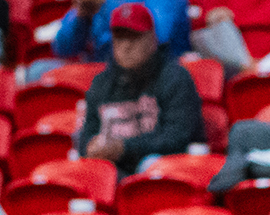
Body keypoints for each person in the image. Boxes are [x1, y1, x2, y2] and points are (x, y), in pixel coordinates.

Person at [74, 3, 204, 174]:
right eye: (120, 38)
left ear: (152, 39)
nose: (126, 46)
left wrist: (124, 148)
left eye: (134, 37)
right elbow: (87, 135)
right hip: (116, 170)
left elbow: (178, 138)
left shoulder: (175, 78)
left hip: (164, 172)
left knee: (151, 165)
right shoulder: (100, 84)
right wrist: (92, 146)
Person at [53, 0, 189, 62]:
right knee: (39, 69)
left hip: (156, 74)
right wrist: (82, 16)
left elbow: (157, 37)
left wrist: (106, 6)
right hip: (103, 75)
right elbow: (63, 48)